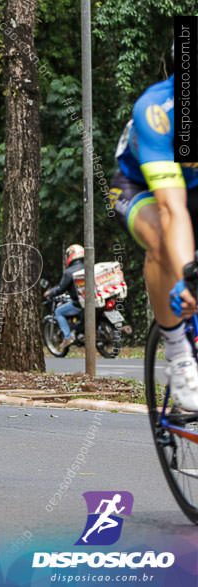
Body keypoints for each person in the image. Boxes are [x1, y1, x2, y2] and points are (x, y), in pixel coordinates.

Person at [110, 46, 198, 410]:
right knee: (163, 240)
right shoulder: (156, 111)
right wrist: (187, 277)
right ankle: (178, 355)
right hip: (141, 189)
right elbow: (172, 208)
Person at [43, 244, 85, 351]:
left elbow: (61, 288)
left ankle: (67, 337)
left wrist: (50, 293)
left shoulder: (69, 272)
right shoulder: (88, 267)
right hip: (92, 300)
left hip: (78, 303)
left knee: (58, 312)